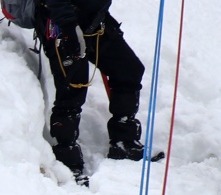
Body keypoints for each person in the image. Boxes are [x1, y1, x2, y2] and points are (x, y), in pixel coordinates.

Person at [34, 1, 149, 185]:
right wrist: (68, 27)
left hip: (92, 16)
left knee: (129, 69)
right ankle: (66, 162)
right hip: (60, 18)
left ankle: (124, 142)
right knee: (74, 87)